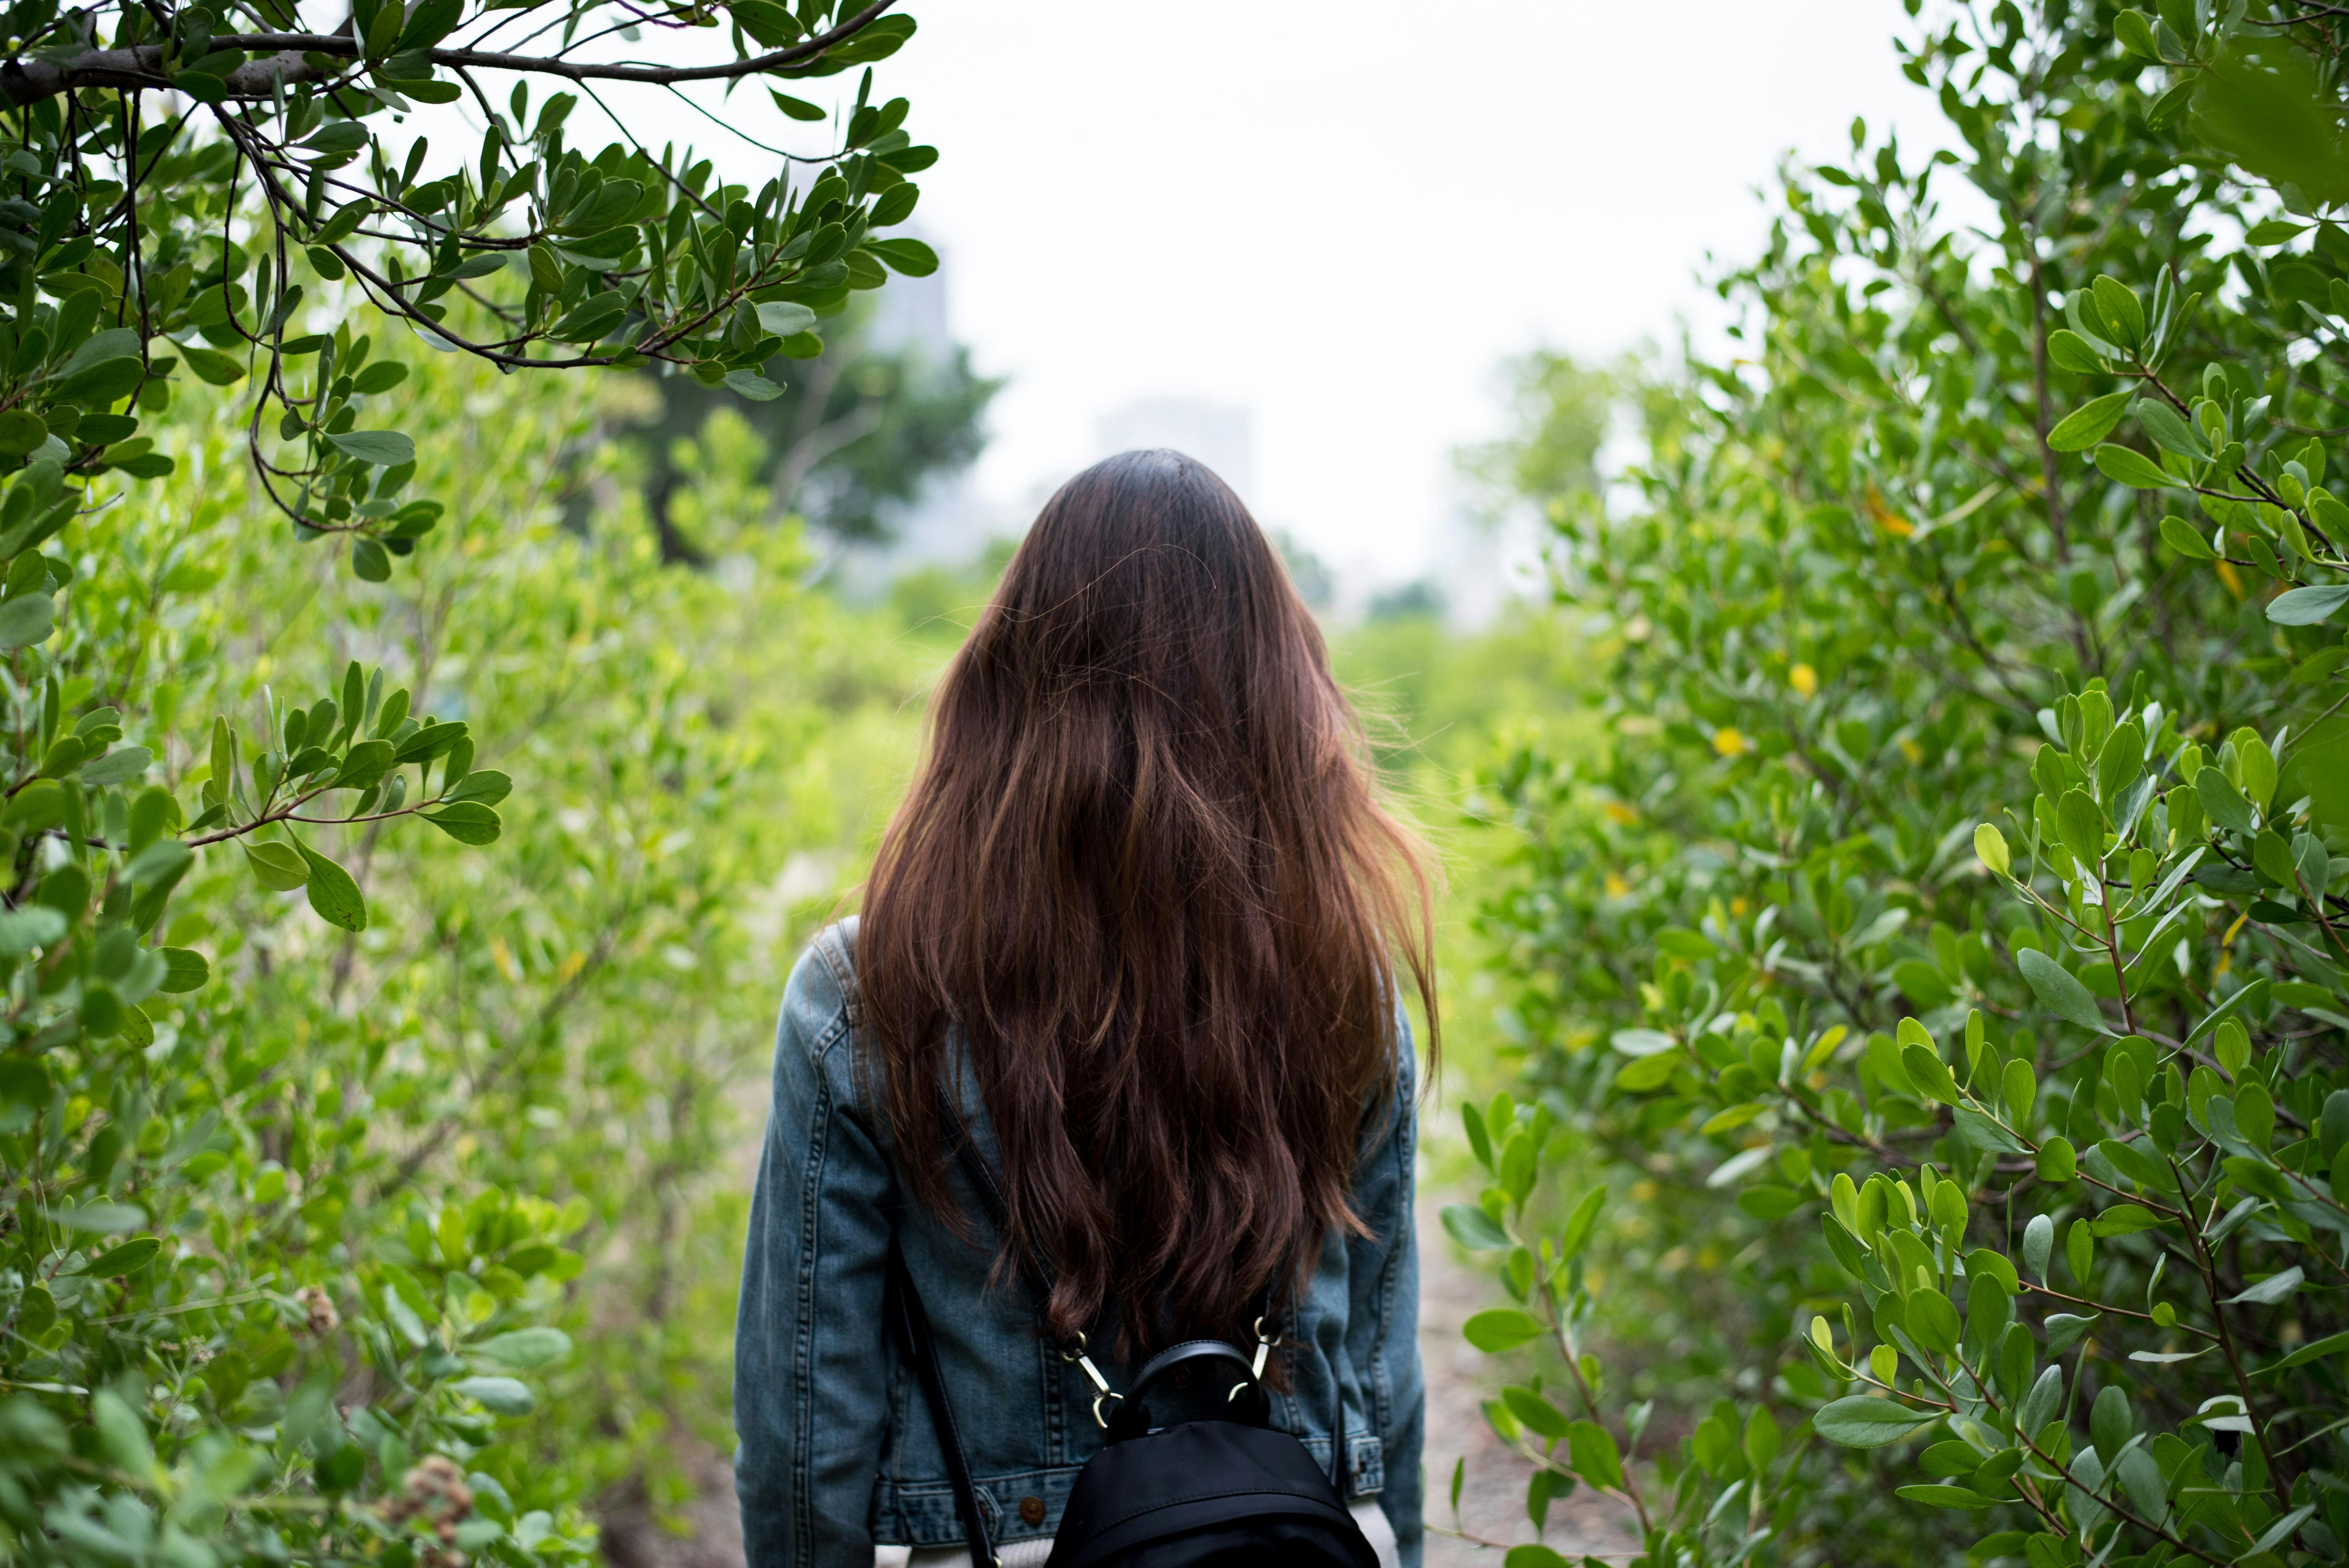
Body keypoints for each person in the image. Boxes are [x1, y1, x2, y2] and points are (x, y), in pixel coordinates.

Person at [733, 450, 1436, 1568]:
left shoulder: (875, 991)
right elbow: (1378, 1383)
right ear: (1277, 691)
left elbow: (805, 1434)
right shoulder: (1345, 977)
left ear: (1005, 687)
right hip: (1299, 1543)